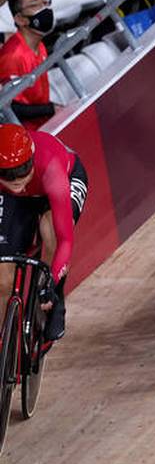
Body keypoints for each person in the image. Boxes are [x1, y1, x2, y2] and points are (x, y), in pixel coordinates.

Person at [0, 124, 87, 341]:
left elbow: (66, 240)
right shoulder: (16, 186)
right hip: (16, 198)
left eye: (22, 176)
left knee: (52, 233)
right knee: (2, 278)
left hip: (61, 181)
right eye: (11, 179)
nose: (18, 184)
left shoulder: (52, 167)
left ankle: (54, 299)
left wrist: (51, 283)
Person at [0, 0, 56, 127]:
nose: (44, 9)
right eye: (34, 5)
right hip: (28, 133)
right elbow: (9, 106)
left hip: (45, 124)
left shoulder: (40, 45)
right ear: (20, 19)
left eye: (45, 2)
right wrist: (51, 109)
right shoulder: (12, 56)